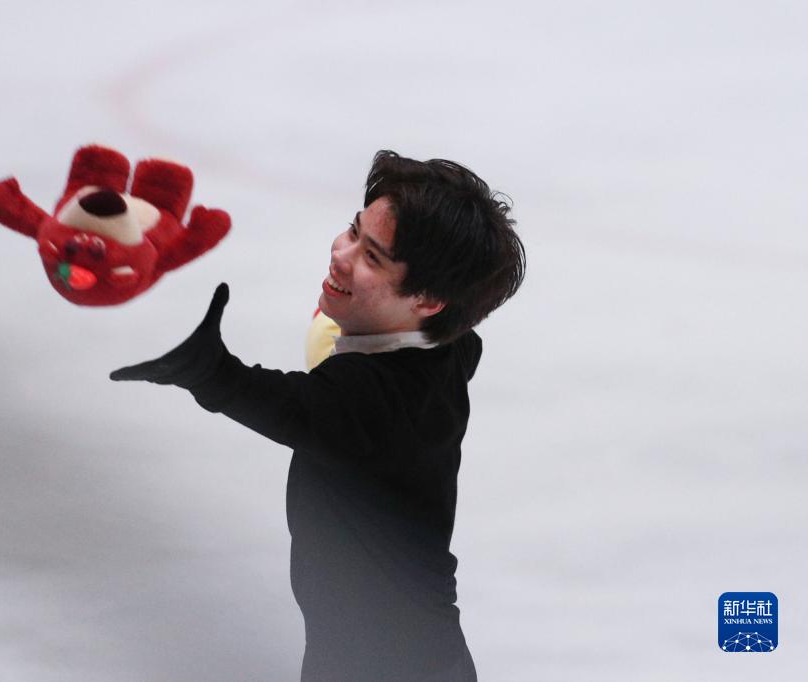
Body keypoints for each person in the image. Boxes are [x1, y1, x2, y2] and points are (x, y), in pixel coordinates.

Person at [110, 150, 525, 681]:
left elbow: (287, 406)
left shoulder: (378, 403)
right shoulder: (444, 349)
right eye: (353, 231)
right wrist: (352, 316)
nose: (341, 255)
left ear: (427, 301)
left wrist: (203, 366)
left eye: (372, 257)